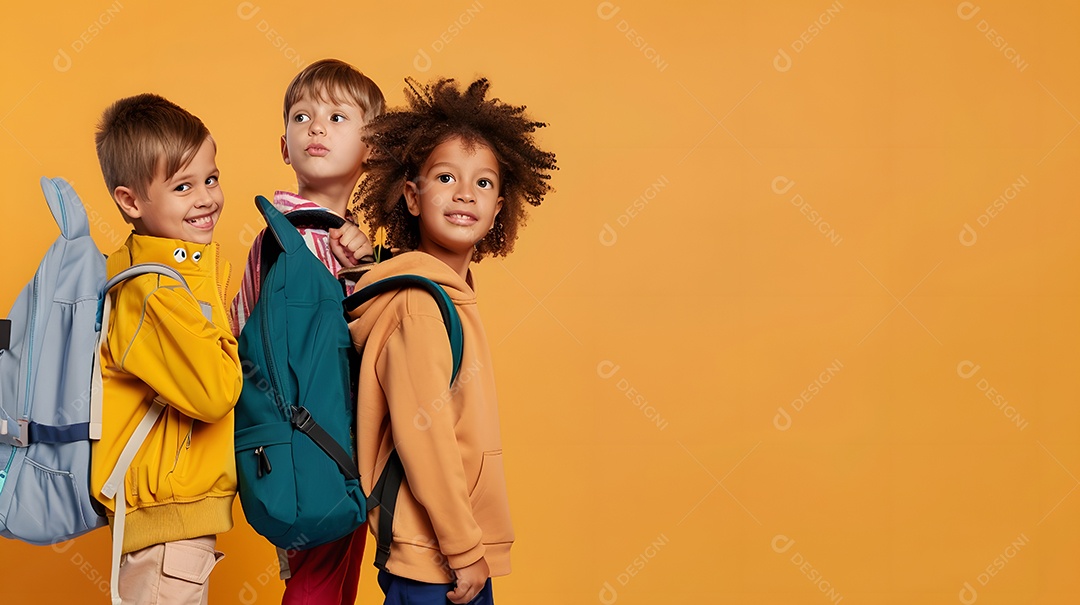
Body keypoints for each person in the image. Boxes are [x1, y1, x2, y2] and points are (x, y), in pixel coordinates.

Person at [348, 77, 557, 605]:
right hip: (434, 556)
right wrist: (464, 551)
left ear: (500, 208)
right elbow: (426, 438)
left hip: (446, 550)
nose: (466, 193)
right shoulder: (420, 306)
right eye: (446, 177)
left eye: (484, 183)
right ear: (413, 198)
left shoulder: (450, 299)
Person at [230, 58, 384, 605]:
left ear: (373, 152)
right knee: (317, 589)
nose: (316, 127)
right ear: (284, 146)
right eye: (302, 117)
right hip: (311, 445)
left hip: (344, 443)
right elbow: (243, 339)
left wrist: (365, 267)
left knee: (338, 586)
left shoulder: (350, 244)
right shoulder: (281, 238)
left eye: (338, 118)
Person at [90, 93, 243, 604]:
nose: (205, 198)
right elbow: (216, 390)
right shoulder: (155, 291)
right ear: (131, 202)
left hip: (168, 527)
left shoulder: (155, 272)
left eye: (211, 178)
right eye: (182, 187)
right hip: (164, 529)